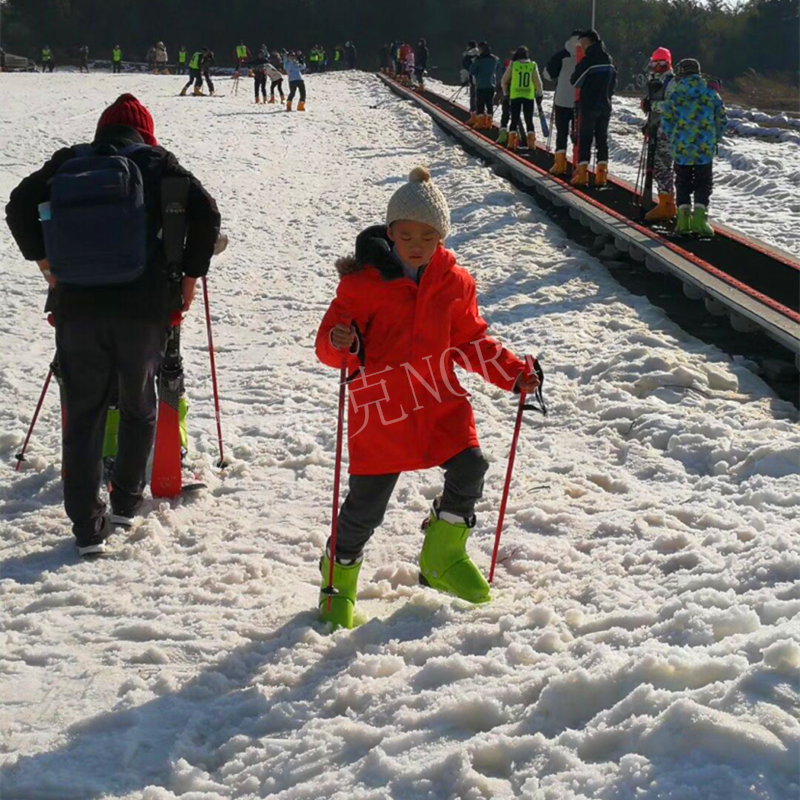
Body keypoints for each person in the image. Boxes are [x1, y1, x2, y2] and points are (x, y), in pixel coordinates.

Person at [314, 167, 541, 629]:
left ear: (441, 236)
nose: (416, 244)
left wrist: (514, 373)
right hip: (383, 408)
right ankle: (338, 575)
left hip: (439, 400)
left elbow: (471, 342)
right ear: (390, 233)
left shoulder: (455, 283)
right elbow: (329, 345)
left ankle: (443, 555)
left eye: (427, 235)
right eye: (406, 234)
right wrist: (342, 342)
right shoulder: (363, 285)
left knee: (470, 465)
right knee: (366, 506)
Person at [5, 93, 221, 557]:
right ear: (145, 132)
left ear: (102, 130)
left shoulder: (70, 163)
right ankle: (124, 501)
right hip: (142, 309)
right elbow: (206, 214)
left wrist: (47, 265)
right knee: (140, 403)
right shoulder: (157, 162)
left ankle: (87, 528)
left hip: (77, 307)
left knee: (84, 413)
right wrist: (188, 277)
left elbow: (18, 205)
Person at [661, 58, 727, 236]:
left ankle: (683, 221)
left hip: (681, 148)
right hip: (704, 149)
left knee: (682, 182)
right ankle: (700, 220)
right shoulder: (710, 93)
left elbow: (666, 121)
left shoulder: (675, 94)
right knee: (703, 183)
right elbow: (721, 119)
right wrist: (715, 137)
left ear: (681, 73)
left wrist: (673, 137)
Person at [569, 29, 616, 187]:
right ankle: (601, 175)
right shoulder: (608, 59)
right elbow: (613, 84)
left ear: (590, 42)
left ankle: (582, 174)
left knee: (585, 138)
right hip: (605, 105)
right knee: (602, 139)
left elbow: (574, 81)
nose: (581, 46)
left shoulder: (588, 60)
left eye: (583, 43)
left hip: (589, 105)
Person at [640, 47, 677, 222]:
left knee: (662, 167)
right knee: (657, 167)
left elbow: (671, 108)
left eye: (661, 64)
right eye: (655, 63)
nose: (657, 67)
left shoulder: (671, 82)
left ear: (667, 63)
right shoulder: (655, 81)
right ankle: (666, 202)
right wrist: (648, 123)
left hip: (667, 131)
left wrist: (652, 106)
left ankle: (666, 205)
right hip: (657, 128)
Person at [544, 31, 581, 175]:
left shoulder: (561, 55)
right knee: (579, 132)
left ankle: (560, 164)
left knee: (562, 132)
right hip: (580, 100)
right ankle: (579, 164)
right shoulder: (586, 54)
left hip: (562, 99)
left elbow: (549, 75)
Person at [501, 45, 543, 151]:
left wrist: (506, 92)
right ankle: (531, 143)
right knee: (529, 120)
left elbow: (504, 80)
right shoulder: (532, 65)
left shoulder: (513, 65)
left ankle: (511, 143)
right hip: (528, 96)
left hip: (515, 95)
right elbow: (537, 82)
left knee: (514, 119)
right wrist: (540, 94)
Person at [469, 42, 499, 130]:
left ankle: (480, 122)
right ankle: (489, 122)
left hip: (481, 84)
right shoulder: (494, 59)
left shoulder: (479, 59)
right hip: (491, 84)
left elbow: (472, 71)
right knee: (489, 103)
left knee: (480, 104)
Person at [461, 41, 480, 125]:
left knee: (473, 97)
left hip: (473, 79)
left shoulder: (468, 56)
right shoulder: (481, 54)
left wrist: (464, 81)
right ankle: (482, 117)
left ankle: (473, 116)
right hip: (483, 80)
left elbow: (465, 69)